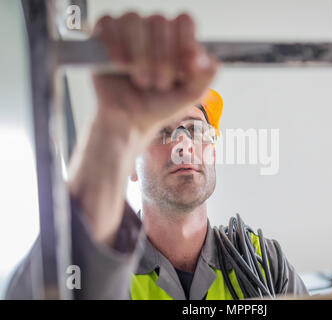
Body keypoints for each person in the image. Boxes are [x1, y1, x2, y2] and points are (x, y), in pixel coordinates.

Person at [7, 12, 308, 300]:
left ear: (213, 153)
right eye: (161, 131)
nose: (183, 145)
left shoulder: (265, 263)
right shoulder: (102, 273)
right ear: (131, 167)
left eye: (195, 129)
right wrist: (114, 125)